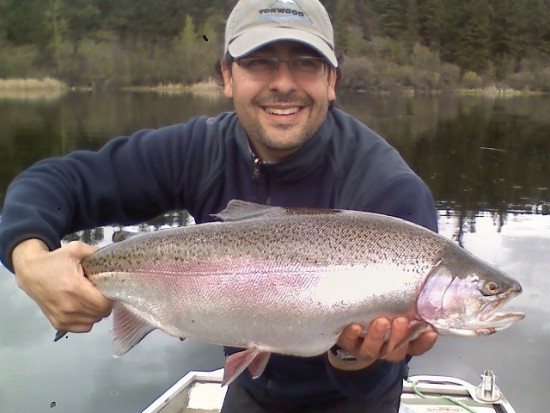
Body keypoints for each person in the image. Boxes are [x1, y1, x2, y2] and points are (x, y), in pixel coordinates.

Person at [0, 0, 438, 412]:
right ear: (227, 75)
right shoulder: (200, 150)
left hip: (353, 403)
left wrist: (354, 358)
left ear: (331, 80)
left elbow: (380, 379)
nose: (283, 82)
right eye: (259, 61)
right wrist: (29, 258)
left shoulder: (391, 193)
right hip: (250, 385)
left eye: (306, 63)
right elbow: (55, 182)